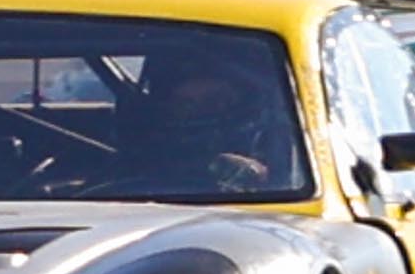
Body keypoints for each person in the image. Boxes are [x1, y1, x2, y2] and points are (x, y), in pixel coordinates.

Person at [118, 42, 295, 196]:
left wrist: (261, 176)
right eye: (186, 104)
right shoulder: (138, 156)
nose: (200, 112)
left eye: (216, 101)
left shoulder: (287, 153)